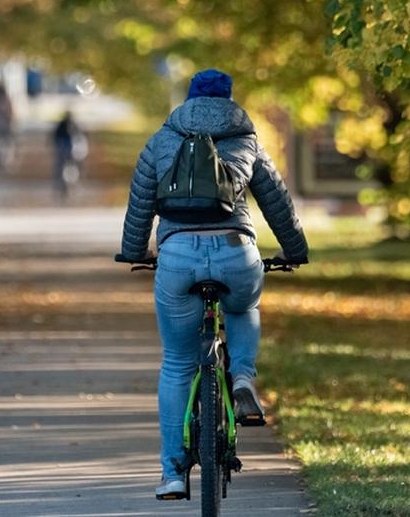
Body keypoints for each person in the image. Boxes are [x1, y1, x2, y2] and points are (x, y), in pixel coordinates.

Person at [118, 68, 309, 499]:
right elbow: (277, 201)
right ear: (229, 100)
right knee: (243, 306)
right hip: (235, 250)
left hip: (178, 255)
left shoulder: (162, 139)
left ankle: (171, 471)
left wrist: (134, 250)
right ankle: (241, 376)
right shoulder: (247, 139)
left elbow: (140, 202)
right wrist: (295, 249)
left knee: (178, 364)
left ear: (188, 100)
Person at [52, 110, 87, 200]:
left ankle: (67, 183)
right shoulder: (71, 125)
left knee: (65, 167)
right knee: (66, 167)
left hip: (67, 150)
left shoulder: (65, 125)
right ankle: (65, 184)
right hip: (67, 150)